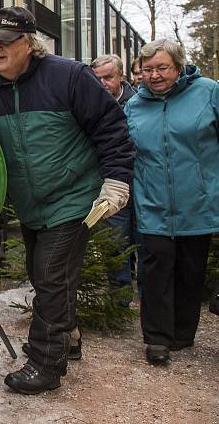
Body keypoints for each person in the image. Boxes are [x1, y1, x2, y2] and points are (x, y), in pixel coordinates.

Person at [0, 7, 134, 395]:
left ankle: (45, 364)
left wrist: (117, 180)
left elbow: (111, 129)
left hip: (73, 198)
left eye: (3, 41)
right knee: (45, 277)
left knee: (52, 275)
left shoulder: (68, 76)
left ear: (29, 44)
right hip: (30, 203)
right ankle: (67, 337)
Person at [123, 39, 219, 365]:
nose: (154, 75)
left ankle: (182, 332)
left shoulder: (207, 92)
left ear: (179, 66)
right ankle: (157, 339)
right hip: (152, 203)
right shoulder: (134, 106)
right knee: (155, 269)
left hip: (198, 201)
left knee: (191, 269)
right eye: (147, 69)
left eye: (162, 68)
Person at [91, 54, 137, 305]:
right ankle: (119, 298)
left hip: (139, 184)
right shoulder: (91, 104)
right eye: (97, 79)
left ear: (121, 77)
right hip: (111, 183)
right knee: (115, 241)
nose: (103, 84)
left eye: (108, 77)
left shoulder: (137, 103)